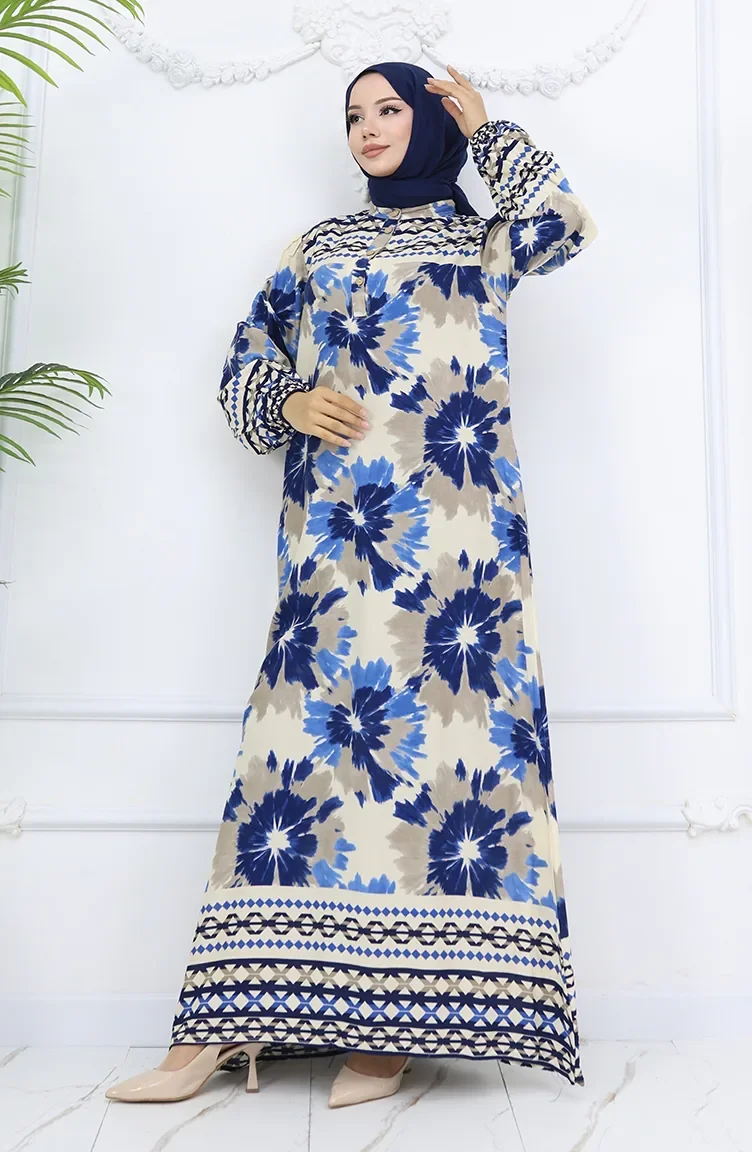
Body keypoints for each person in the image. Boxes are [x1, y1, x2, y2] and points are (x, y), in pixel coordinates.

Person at [106, 59, 597, 1111]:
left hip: (460, 557)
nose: (368, 128)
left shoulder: (485, 242)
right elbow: (246, 360)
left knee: (452, 771)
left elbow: (564, 221)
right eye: (353, 114)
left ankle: (394, 1028)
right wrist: (287, 400)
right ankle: (221, 1025)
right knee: (288, 760)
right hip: (335, 541)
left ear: (431, 121)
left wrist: (488, 132)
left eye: (390, 110)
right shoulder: (317, 248)